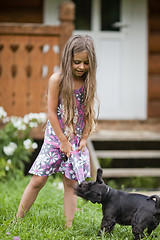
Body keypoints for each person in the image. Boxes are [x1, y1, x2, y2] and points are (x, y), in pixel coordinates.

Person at [16, 34, 98, 228]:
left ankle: (69, 226)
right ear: (67, 59)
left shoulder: (88, 82)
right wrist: (62, 140)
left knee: (71, 184)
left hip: (76, 141)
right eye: (77, 62)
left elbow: (88, 113)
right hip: (55, 139)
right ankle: (17, 220)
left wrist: (84, 138)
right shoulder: (57, 80)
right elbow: (52, 113)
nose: (81, 67)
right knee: (38, 180)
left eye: (86, 63)